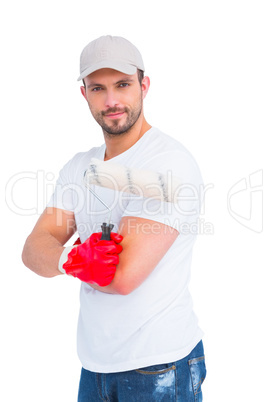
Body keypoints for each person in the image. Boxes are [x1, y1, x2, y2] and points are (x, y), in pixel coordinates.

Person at [22, 35, 207, 401]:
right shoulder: (80, 166)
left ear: (144, 86)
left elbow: (123, 276)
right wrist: (70, 257)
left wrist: (69, 261)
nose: (111, 101)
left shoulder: (168, 163)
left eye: (122, 85)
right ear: (84, 94)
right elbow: (33, 250)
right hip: (95, 366)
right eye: (98, 88)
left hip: (159, 365)